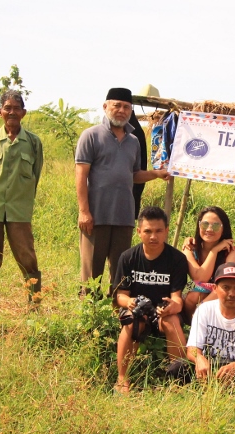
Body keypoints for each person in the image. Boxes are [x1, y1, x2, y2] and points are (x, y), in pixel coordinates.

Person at [75, 87, 170, 295]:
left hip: (124, 217)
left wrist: (156, 174)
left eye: (126, 107)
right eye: (116, 105)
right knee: (91, 273)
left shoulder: (133, 141)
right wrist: (84, 211)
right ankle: (89, 316)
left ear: (131, 111)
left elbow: (133, 174)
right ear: (106, 106)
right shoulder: (90, 136)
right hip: (96, 216)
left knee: (120, 272)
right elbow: (81, 175)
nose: (121, 110)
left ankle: (116, 313)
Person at [167, 262, 235, 393]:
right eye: (226, 287)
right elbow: (192, 349)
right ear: (215, 288)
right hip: (208, 371)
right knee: (177, 367)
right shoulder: (204, 309)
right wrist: (199, 359)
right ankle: (184, 401)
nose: (232, 293)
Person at [0, 89, 43, 302]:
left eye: (16, 108)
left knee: (27, 256)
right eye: (7, 108)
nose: (11, 112)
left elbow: (36, 175)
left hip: (19, 208)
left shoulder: (33, 142)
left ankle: (34, 304)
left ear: (24, 113)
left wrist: (21, 197)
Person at [114, 206, 188, 392]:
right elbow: (120, 295)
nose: (153, 236)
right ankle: (122, 379)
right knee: (131, 321)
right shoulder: (128, 257)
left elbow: (177, 300)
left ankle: (178, 380)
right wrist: (129, 302)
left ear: (166, 231)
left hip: (162, 313)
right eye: (147, 231)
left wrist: (171, 307)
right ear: (139, 232)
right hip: (137, 311)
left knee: (171, 320)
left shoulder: (177, 259)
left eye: (158, 231)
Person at [181, 206, 235, 322]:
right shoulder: (190, 248)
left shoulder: (232, 252)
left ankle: (202, 321)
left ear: (224, 229)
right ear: (199, 225)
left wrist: (202, 308)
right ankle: (190, 325)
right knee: (195, 293)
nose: (209, 229)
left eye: (216, 226)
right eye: (205, 224)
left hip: (223, 291)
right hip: (193, 292)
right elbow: (200, 278)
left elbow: (227, 284)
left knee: (217, 290)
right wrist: (214, 251)